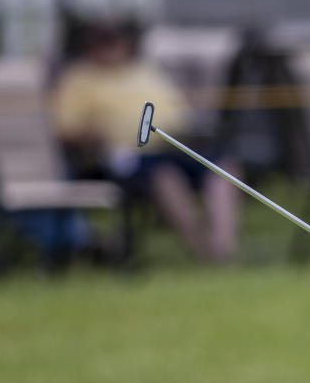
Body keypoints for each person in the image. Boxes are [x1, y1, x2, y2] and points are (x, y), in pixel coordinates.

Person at [51, 21, 241, 262]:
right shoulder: (79, 79)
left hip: (173, 146)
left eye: (115, 41)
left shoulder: (144, 71)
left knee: (223, 168)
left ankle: (225, 249)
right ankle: (205, 252)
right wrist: (100, 135)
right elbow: (65, 130)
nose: (110, 48)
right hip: (124, 157)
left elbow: (178, 111)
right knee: (165, 177)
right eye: (102, 42)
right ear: (90, 46)